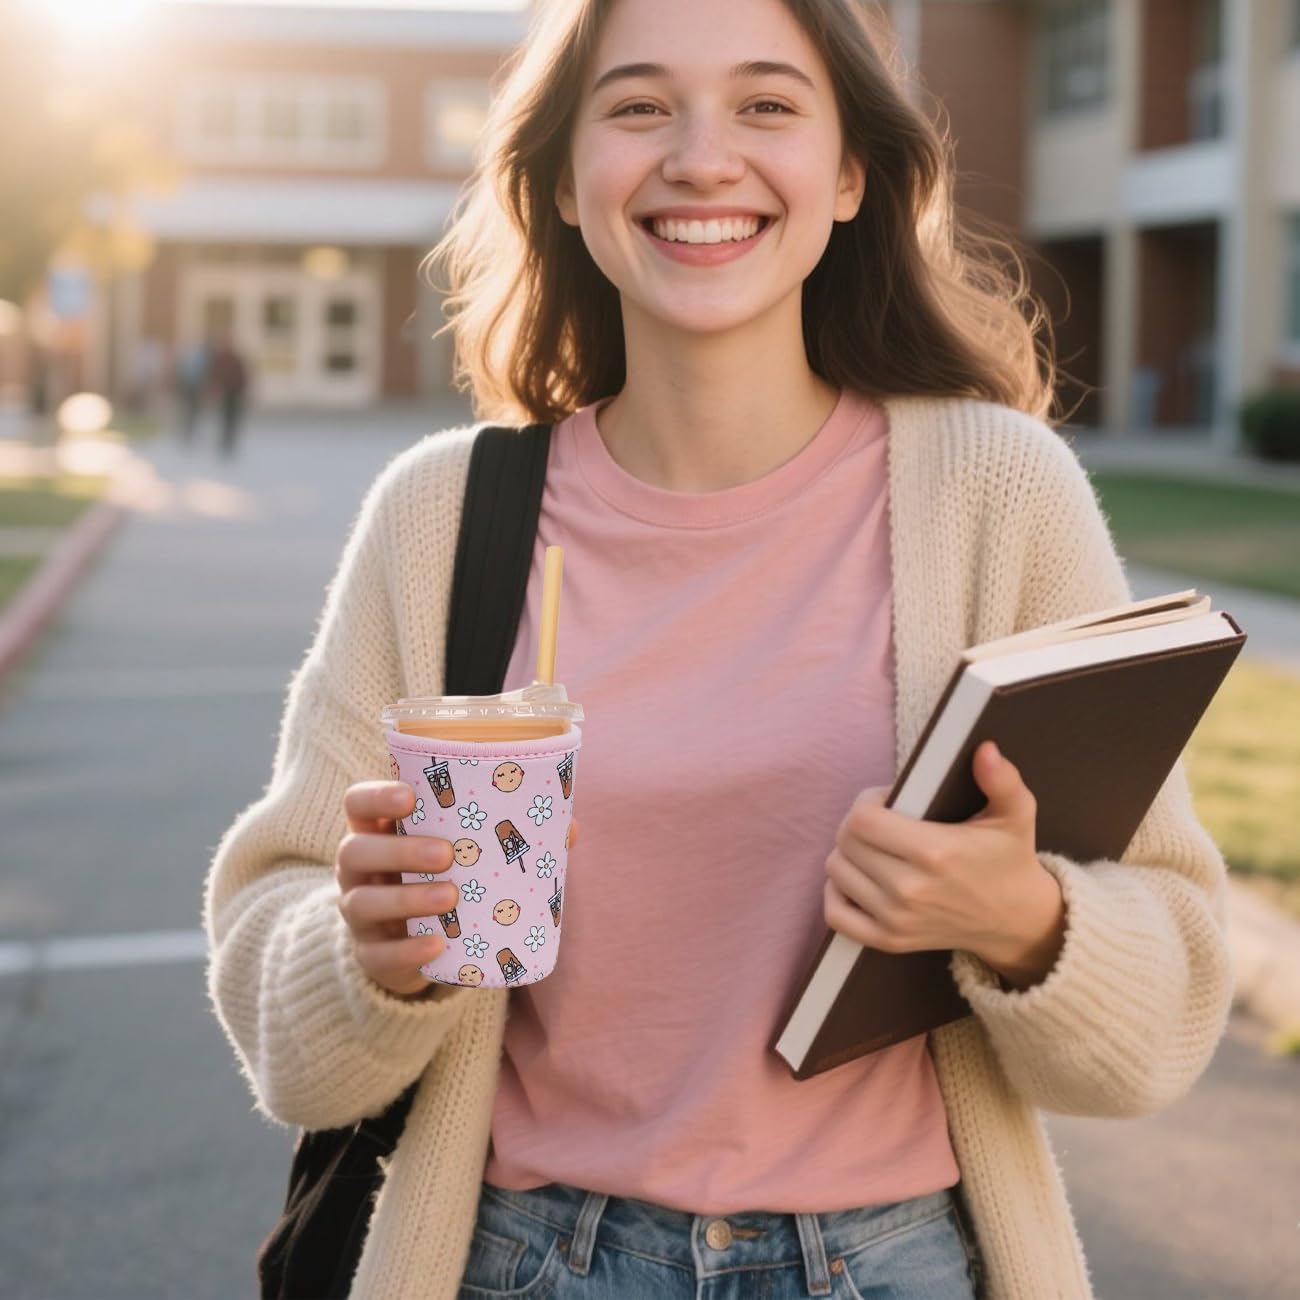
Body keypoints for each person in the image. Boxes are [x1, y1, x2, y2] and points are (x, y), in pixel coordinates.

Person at [202, 2, 1234, 1298]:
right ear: (564, 181)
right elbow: (279, 983)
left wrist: (1025, 922)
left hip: (893, 1260)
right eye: (639, 107)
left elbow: (1167, 1012)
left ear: (849, 174)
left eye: (765, 106)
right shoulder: (441, 517)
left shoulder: (996, 493)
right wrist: (371, 955)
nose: (700, 159)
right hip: (520, 1261)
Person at [209, 334, 249, 458]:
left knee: (233, 420)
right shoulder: (220, 359)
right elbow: (214, 375)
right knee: (224, 419)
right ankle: (224, 442)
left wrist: (242, 389)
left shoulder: (235, 359)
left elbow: (243, 375)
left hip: (234, 393)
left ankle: (230, 442)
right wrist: (214, 388)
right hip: (224, 394)